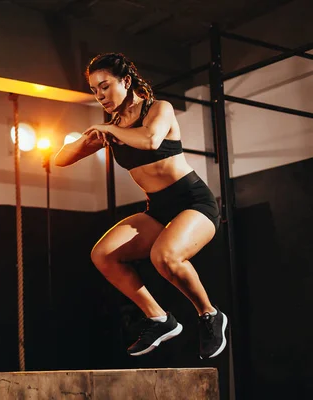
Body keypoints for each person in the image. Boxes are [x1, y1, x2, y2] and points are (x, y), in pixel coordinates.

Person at [54, 53, 228, 359]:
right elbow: (60, 159)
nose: (100, 96)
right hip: (158, 210)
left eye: (105, 86)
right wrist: (89, 138)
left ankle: (209, 315)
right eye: (95, 90)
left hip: (194, 202)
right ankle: (159, 318)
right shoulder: (112, 128)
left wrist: (109, 130)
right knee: (103, 254)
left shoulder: (157, 109)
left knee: (165, 257)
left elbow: (150, 140)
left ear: (126, 81)